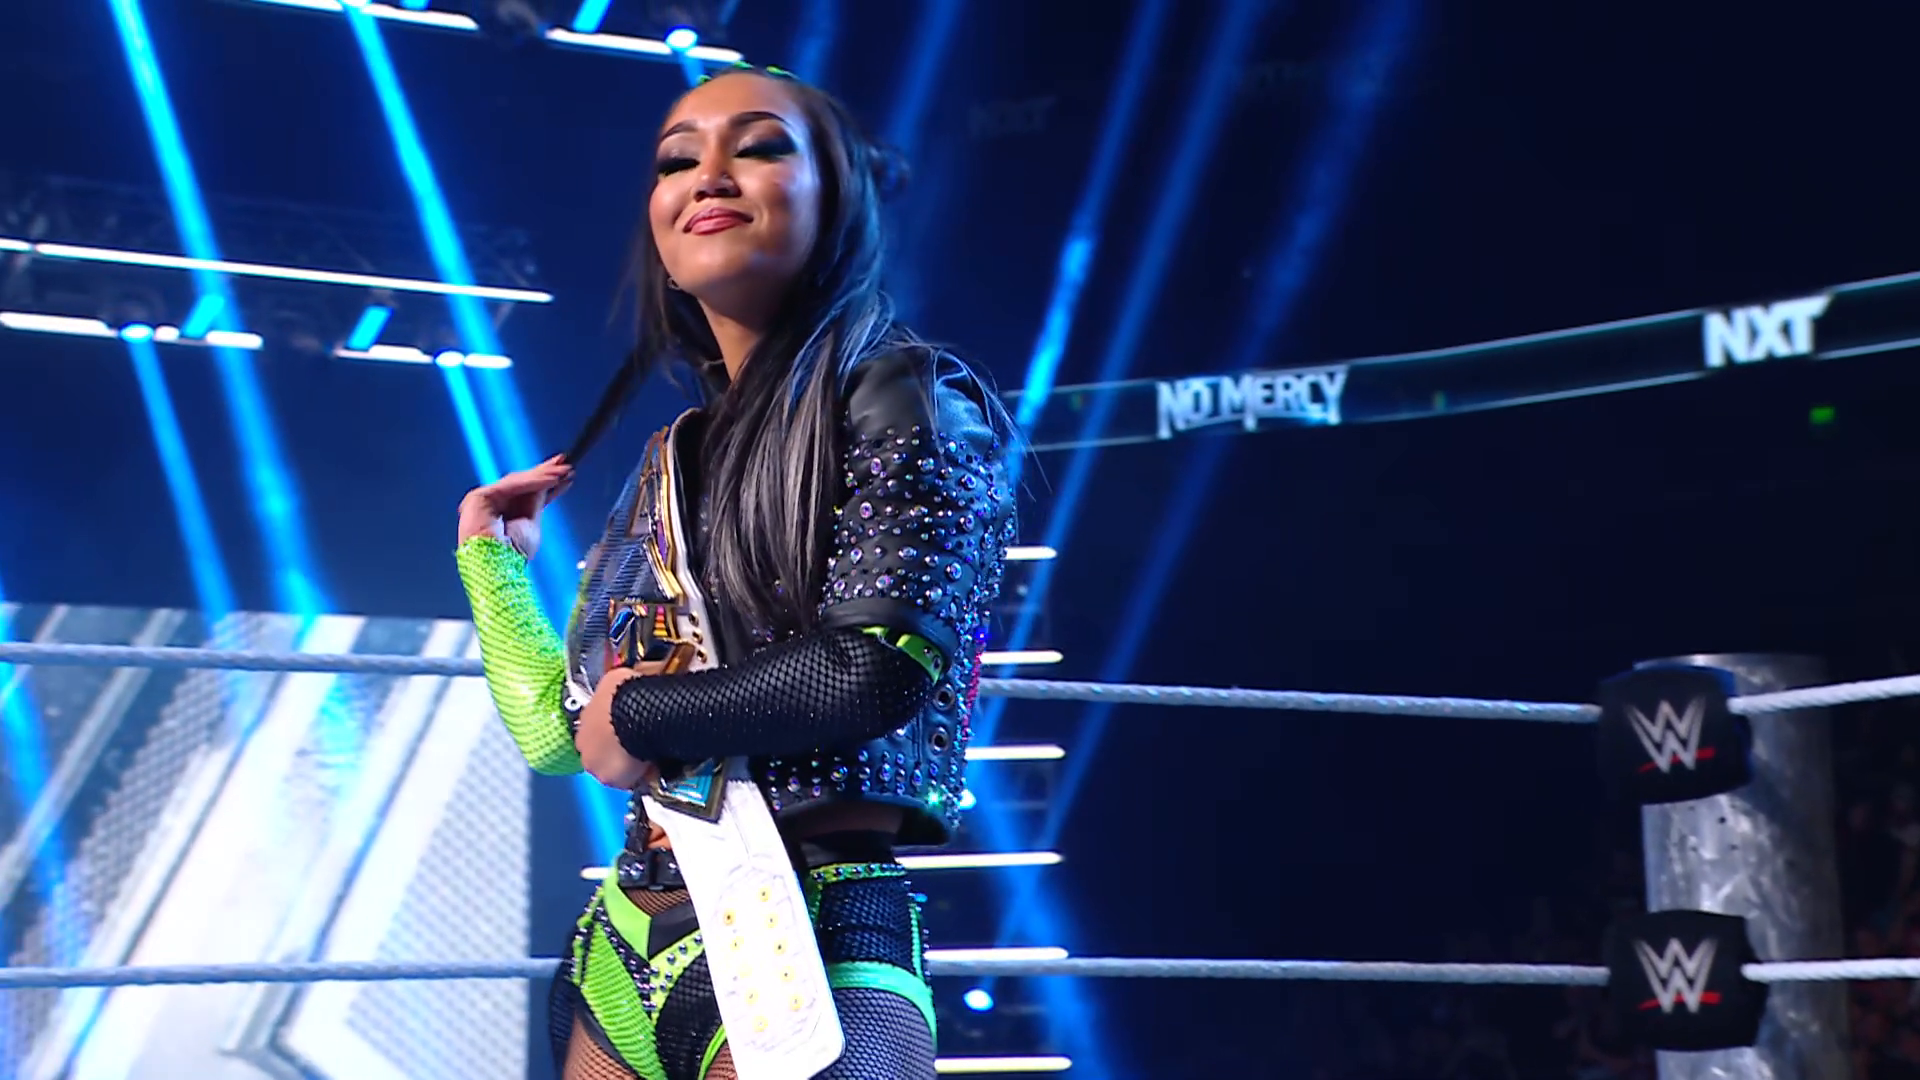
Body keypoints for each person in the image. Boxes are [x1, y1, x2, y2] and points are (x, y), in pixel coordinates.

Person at [452, 63, 1019, 1080]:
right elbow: (561, 734)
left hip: (804, 928)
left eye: (757, 147)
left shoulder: (909, 396)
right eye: (678, 160)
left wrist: (640, 715)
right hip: (625, 938)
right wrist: (489, 563)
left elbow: (874, 667)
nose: (709, 175)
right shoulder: (672, 459)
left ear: (837, 202)